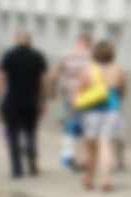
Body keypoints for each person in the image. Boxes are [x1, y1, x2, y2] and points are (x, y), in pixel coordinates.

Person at [0, 30, 48, 179]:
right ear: (30, 40)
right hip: (31, 101)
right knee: (30, 131)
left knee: (13, 134)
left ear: (16, 40)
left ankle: (17, 169)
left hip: (13, 101)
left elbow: (0, 78)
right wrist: (43, 101)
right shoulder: (38, 56)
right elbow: (43, 81)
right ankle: (31, 155)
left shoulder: (9, 56)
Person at [76, 40, 126, 192]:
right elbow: (123, 92)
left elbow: (81, 91)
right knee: (105, 146)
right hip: (111, 111)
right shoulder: (118, 70)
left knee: (91, 148)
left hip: (92, 112)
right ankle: (106, 179)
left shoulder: (89, 70)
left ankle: (89, 178)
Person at [47, 34, 92, 170]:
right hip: (87, 96)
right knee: (86, 127)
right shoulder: (91, 56)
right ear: (88, 43)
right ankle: (84, 158)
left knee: (70, 126)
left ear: (78, 42)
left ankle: (68, 157)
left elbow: (56, 75)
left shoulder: (67, 55)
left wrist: (52, 90)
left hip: (70, 95)